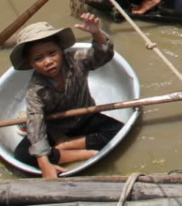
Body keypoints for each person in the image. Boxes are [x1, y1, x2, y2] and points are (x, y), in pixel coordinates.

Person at [11, 13, 123, 179]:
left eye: (52, 53)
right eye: (38, 58)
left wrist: (96, 33)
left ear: (62, 51)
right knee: (22, 155)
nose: (48, 61)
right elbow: (36, 122)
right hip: (55, 127)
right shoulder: (35, 89)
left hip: (86, 115)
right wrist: (44, 163)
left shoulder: (76, 60)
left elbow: (103, 56)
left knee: (120, 132)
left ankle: (67, 145)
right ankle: (73, 154)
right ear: (31, 63)